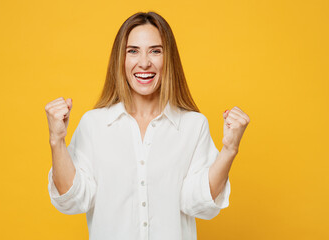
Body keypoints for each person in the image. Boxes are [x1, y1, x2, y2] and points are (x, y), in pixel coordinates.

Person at [45, 11, 250, 240]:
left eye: (155, 51)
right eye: (133, 51)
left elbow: (200, 204)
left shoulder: (193, 126)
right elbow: (72, 200)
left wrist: (230, 149)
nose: (144, 62)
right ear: (120, 59)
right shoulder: (94, 124)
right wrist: (57, 141)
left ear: (168, 58)